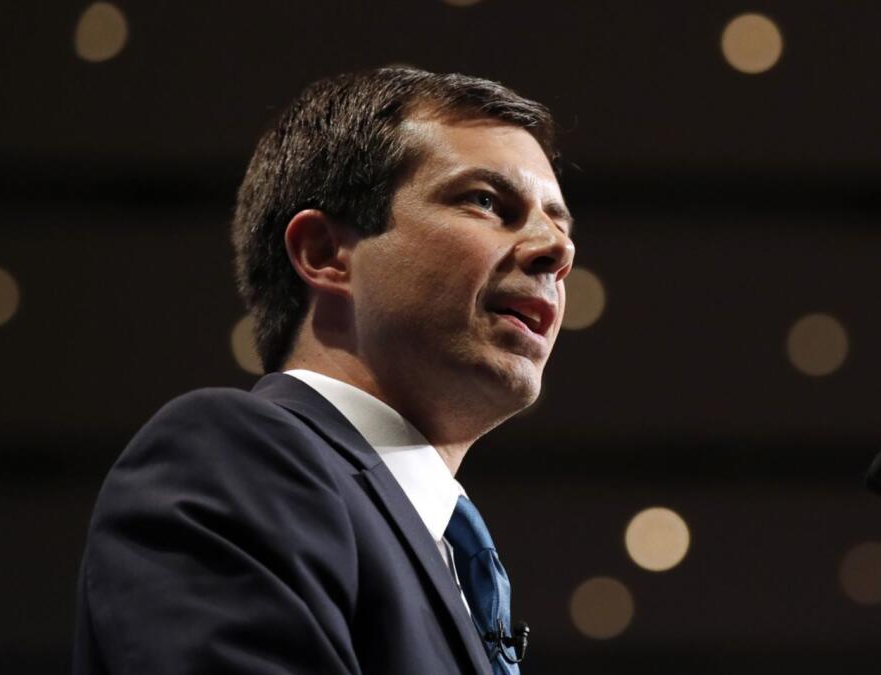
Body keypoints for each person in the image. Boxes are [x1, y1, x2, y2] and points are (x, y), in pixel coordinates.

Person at [72, 67, 575, 675]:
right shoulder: (234, 460)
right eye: (486, 201)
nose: (557, 248)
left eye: (558, 220)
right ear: (325, 253)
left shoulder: (443, 555)